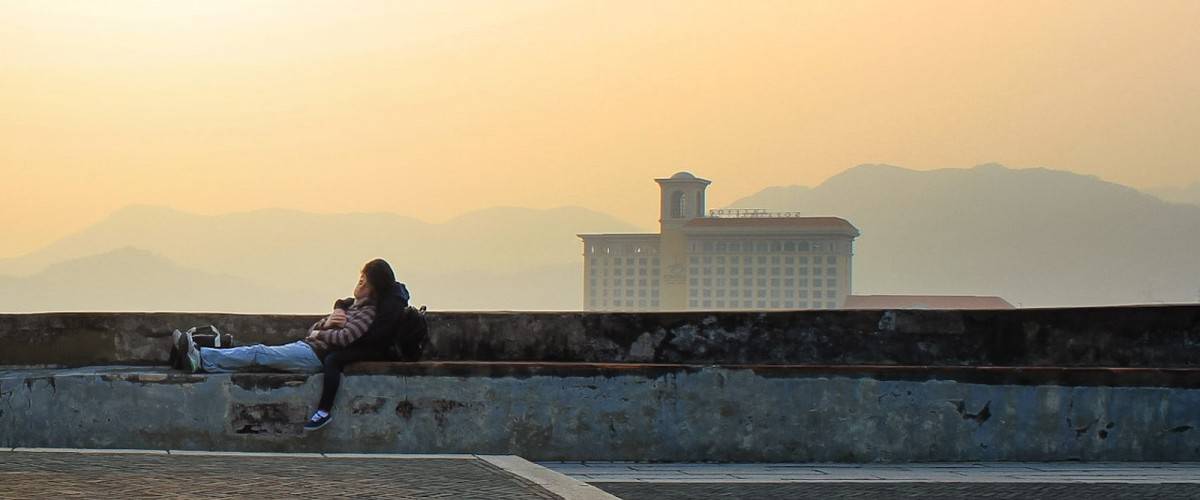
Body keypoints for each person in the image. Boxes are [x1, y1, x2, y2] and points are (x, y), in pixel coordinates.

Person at [173, 261, 384, 376]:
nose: (360, 284)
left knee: (258, 353)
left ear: (374, 289)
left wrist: (320, 333)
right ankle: (200, 356)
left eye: (365, 281)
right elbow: (313, 329)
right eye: (360, 279)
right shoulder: (350, 307)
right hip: (307, 348)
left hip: (315, 356)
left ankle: (201, 358)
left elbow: (345, 338)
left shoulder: (367, 313)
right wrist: (326, 324)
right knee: (258, 358)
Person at [305, 259, 410, 431]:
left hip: (381, 349)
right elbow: (347, 301)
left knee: (333, 360)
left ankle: (324, 411)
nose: (360, 283)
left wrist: (347, 336)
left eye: (364, 280)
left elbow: (377, 336)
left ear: (374, 285)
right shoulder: (384, 293)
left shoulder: (390, 304)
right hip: (370, 342)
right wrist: (339, 308)